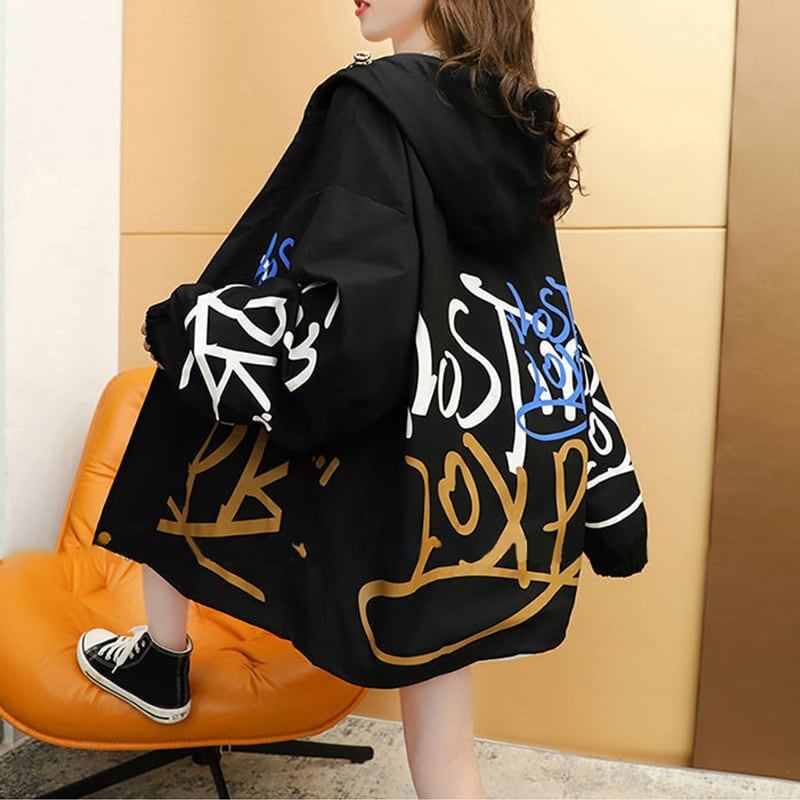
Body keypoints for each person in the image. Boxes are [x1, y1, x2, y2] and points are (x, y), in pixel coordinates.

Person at [76, 1, 649, 798]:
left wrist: (197, 328)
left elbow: (348, 310)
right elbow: (542, 315)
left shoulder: (374, 103)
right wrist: (607, 491)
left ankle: (162, 659)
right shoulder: (514, 117)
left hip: (379, 438)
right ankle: (163, 657)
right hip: (472, 468)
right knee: (444, 745)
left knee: (188, 396)